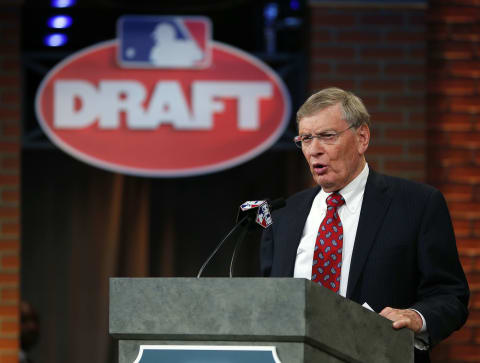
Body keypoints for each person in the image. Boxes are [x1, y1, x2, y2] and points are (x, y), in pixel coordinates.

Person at [260, 87, 469, 362]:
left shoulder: (417, 204)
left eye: (327, 136)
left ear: (362, 138)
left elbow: (450, 295)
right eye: (306, 139)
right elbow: (264, 302)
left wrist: (417, 317)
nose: (314, 150)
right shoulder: (283, 214)